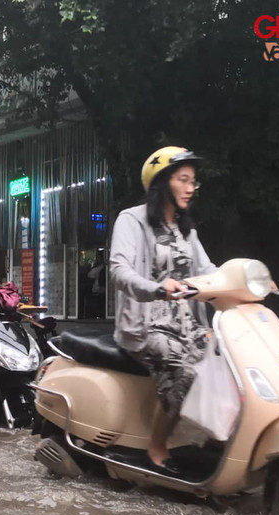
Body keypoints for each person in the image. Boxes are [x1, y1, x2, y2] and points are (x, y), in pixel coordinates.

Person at [109, 146, 217, 470]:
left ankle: (217, 441)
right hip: (148, 326)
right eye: (182, 179)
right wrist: (157, 288)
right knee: (185, 369)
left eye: (193, 181)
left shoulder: (186, 230)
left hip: (189, 325)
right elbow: (119, 270)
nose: (190, 188)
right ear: (161, 183)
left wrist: (248, 278)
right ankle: (156, 448)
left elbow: (209, 270)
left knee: (227, 358)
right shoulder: (131, 220)